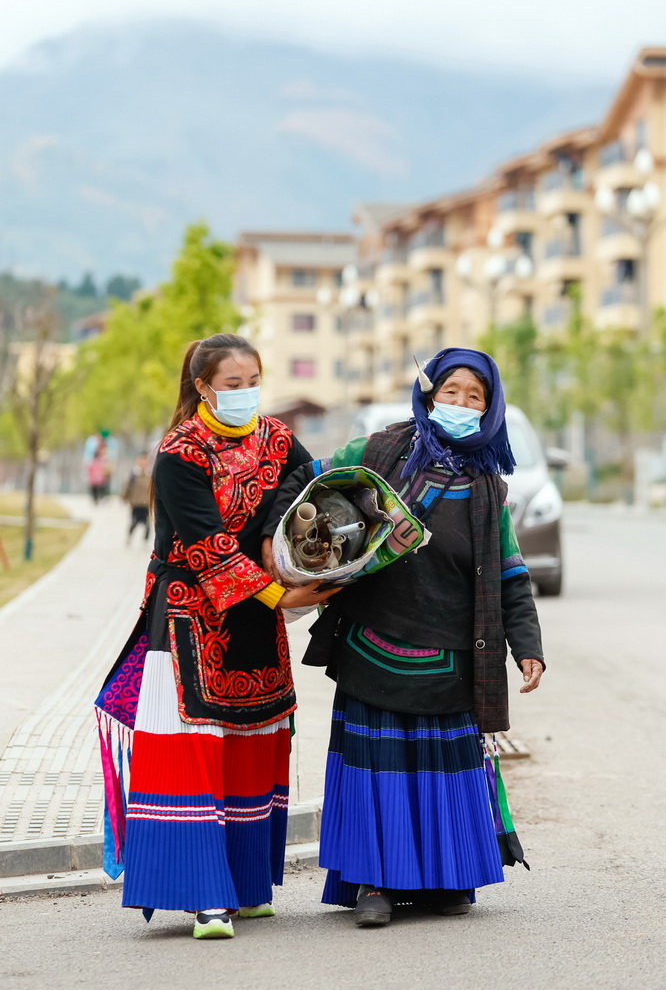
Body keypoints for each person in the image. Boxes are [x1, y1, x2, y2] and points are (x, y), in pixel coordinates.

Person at [262, 347, 545, 927]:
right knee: (376, 767)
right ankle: (372, 885)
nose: (461, 405)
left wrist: (528, 646)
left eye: (475, 397)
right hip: (374, 642)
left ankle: (446, 880)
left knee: (442, 770)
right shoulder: (375, 452)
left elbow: (509, 574)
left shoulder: (489, 488)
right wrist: (281, 545)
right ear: (429, 394)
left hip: (451, 655)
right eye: (451, 393)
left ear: (490, 409)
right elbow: (308, 485)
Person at [95, 333, 340, 940]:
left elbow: (308, 488)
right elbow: (205, 544)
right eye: (232, 384)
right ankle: (202, 896)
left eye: (253, 380)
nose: (246, 393)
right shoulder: (180, 452)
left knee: (257, 738)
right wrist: (281, 595)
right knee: (193, 746)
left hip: (254, 608)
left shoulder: (277, 438)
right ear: (202, 387)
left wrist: (288, 552)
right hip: (189, 613)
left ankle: (248, 886)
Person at [122, 452, 152, 543]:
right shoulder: (133, 475)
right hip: (136, 503)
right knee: (134, 522)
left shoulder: (150, 475)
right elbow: (127, 488)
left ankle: (145, 540)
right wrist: (124, 498)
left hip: (146, 504)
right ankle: (129, 537)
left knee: (147, 524)